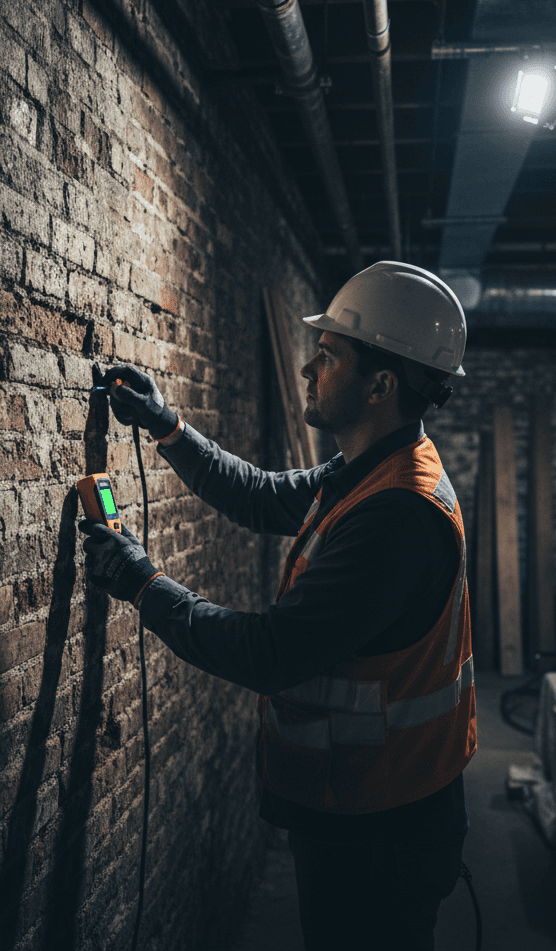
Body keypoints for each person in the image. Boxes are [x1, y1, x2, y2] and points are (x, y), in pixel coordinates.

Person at [80, 262, 477, 951]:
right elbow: (261, 496)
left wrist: (142, 582)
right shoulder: (371, 467)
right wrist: (167, 426)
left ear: (381, 385)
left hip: (381, 823)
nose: (307, 369)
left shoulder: (397, 516)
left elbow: (271, 653)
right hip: (368, 802)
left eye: (329, 355)